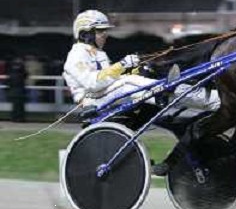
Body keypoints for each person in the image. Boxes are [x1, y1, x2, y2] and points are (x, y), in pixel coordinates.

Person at [63, 8, 221, 134]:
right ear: (85, 34)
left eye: (105, 30)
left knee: (143, 71)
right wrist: (122, 65)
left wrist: (134, 70)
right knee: (127, 82)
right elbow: (93, 83)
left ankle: (206, 96)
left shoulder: (98, 54)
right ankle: (162, 92)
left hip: (104, 94)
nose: (105, 34)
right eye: (100, 31)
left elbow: (108, 79)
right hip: (91, 102)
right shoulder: (76, 54)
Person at [8, 56, 28, 122]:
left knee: (15, 106)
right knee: (20, 106)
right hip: (20, 90)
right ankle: (20, 118)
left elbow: (8, 82)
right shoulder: (21, 73)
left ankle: (14, 118)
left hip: (13, 90)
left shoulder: (11, 73)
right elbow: (26, 74)